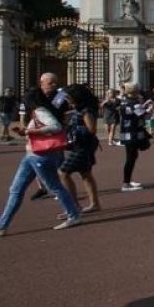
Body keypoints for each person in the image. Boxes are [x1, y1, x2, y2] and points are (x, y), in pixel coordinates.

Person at [0, 84, 83, 236]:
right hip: (32, 154)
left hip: (41, 155)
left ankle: (74, 214)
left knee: (54, 187)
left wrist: (30, 131)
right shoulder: (41, 110)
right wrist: (25, 132)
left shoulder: (41, 110)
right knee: (16, 189)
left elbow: (55, 126)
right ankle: (1, 225)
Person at [58, 84, 103, 214]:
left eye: (68, 97)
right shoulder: (79, 108)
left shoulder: (86, 110)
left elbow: (91, 129)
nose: (67, 99)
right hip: (82, 145)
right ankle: (94, 204)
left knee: (63, 173)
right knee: (85, 174)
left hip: (83, 146)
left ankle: (74, 205)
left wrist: (73, 129)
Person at [117, 83, 151, 192]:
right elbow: (143, 115)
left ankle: (128, 180)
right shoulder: (134, 102)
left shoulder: (125, 101)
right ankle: (126, 183)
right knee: (130, 158)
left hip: (127, 132)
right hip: (133, 133)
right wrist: (150, 108)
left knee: (132, 157)